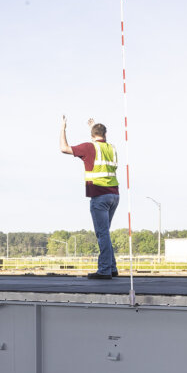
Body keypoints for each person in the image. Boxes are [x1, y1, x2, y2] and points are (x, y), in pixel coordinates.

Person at [59, 116, 120, 279]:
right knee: (105, 232)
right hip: (114, 195)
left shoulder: (89, 147)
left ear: (92, 136)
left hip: (99, 195)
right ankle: (112, 267)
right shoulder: (111, 148)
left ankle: (105, 270)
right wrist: (95, 127)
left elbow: (64, 148)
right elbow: (101, 141)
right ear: (105, 134)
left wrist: (63, 128)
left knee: (102, 234)